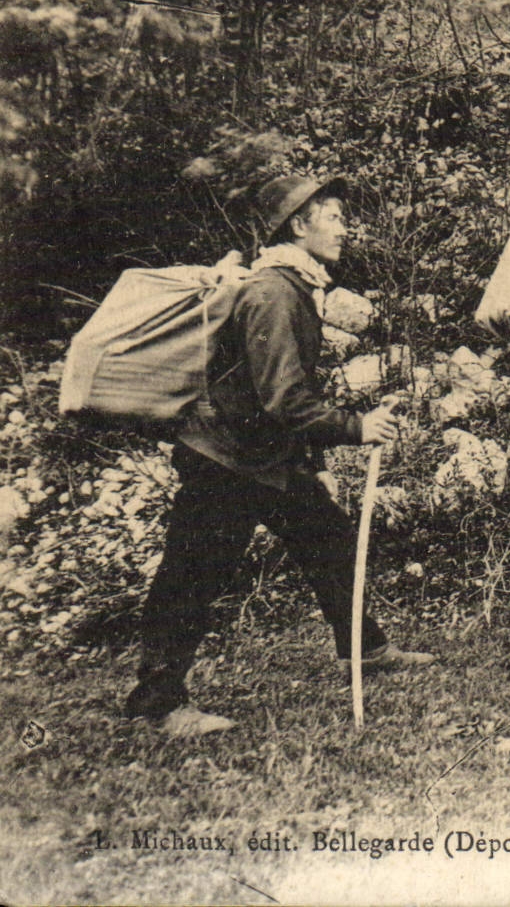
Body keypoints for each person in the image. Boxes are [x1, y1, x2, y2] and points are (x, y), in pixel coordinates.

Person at [124, 175, 433, 738]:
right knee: (193, 575)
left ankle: (364, 651)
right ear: (298, 225)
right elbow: (285, 398)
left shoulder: (295, 286)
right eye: (333, 216)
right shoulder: (273, 293)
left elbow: (278, 398)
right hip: (225, 460)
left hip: (265, 457)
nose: (344, 227)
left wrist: (313, 463)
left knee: (330, 541)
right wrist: (357, 427)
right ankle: (156, 703)